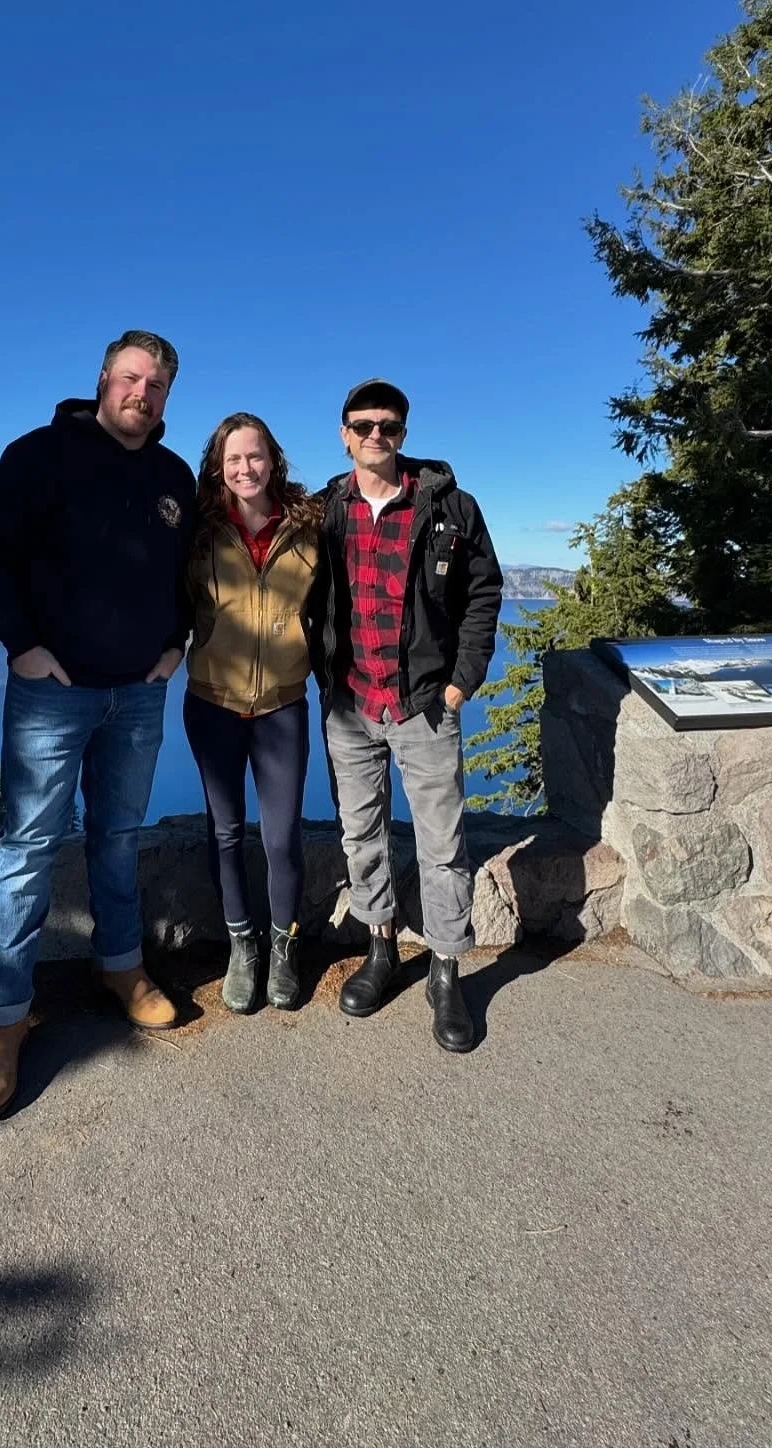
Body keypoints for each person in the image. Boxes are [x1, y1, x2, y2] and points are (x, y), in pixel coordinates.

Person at [0, 329, 196, 1120]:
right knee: (26, 848)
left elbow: (188, 573)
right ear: (103, 378)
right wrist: (21, 645)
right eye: (131, 377)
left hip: (138, 694)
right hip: (52, 696)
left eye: (157, 385)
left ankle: (120, 966)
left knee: (117, 836)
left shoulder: (173, 477)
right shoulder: (38, 455)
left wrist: (175, 644)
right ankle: (4, 1018)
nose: (142, 394)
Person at [312, 378, 503, 1053]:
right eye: (363, 425)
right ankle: (381, 947)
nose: (376, 436)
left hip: (423, 704)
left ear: (403, 433)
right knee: (361, 834)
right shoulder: (325, 510)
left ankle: (446, 971)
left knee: (442, 844)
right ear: (344, 434)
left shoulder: (450, 506)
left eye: (388, 425)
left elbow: (483, 592)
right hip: (351, 704)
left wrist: (460, 684)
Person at [183, 413, 322, 1014]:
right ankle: (242, 946)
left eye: (255, 456)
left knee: (282, 836)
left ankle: (283, 946)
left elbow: (332, 608)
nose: (246, 468)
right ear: (219, 467)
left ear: (273, 460)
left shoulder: (308, 527)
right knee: (225, 832)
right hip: (213, 704)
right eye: (234, 458)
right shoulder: (199, 531)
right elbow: (168, 602)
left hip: (282, 706)